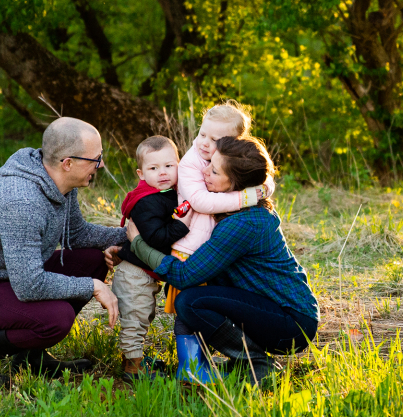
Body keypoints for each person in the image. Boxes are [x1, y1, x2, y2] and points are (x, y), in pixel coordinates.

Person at [0, 117, 125, 386]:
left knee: (92, 260)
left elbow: (77, 235)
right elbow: (29, 285)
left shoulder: (61, 184)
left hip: (12, 276)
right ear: (68, 163)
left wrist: (132, 235)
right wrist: (92, 286)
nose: (101, 165)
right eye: (95, 159)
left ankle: (30, 356)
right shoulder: (22, 202)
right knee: (57, 319)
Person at [124, 136, 319, 384]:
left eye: (214, 171)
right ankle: (200, 364)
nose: (204, 171)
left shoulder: (243, 223)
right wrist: (119, 248)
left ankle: (257, 364)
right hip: (270, 307)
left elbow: (184, 275)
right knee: (198, 292)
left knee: (190, 301)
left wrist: (137, 244)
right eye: (209, 164)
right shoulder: (224, 207)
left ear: (235, 185)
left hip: (291, 323)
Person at [107, 101, 274, 383]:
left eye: (215, 138)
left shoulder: (231, 158)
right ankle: (185, 365)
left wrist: (265, 186)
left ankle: (204, 360)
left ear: (234, 142)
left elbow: (262, 174)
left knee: (205, 303)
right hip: (188, 248)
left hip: (213, 246)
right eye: (202, 134)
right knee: (179, 305)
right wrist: (248, 196)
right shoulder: (191, 163)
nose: (205, 143)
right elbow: (200, 201)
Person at [110, 135, 193, 381]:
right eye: (153, 168)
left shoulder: (167, 192)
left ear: (179, 165)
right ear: (141, 174)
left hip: (145, 272)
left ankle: (135, 358)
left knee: (144, 315)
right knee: (135, 318)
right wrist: (183, 225)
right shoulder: (146, 201)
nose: (163, 172)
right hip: (134, 274)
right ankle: (132, 368)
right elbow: (156, 238)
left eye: (168, 165)